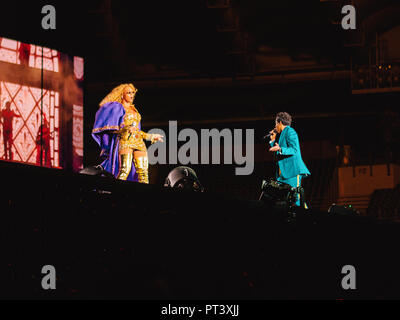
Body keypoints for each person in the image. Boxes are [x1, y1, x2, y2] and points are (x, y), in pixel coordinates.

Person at [92, 83, 164, 183]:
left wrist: (151, 136)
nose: (131, 95)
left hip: (138, 142)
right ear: (122, 94)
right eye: (128, 93)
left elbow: (137, 131)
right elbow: (112, 127)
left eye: (133, 93)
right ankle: (117, 192)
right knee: (124, 170)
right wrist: (125, 129)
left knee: (143, 173)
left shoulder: (134, 110)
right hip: (125, 141)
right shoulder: (118, 107)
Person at [268, 112, 310, 207]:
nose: (275, 126)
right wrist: (272, 141)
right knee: (286, 200)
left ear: (279, 122)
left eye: (275, 123)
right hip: (284, 174)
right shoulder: (283, 134)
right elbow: (279, 154)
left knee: (296, 199)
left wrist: (280, 148)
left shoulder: (290, 131)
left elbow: (294, 149)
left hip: (292, 172)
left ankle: (308, 218)